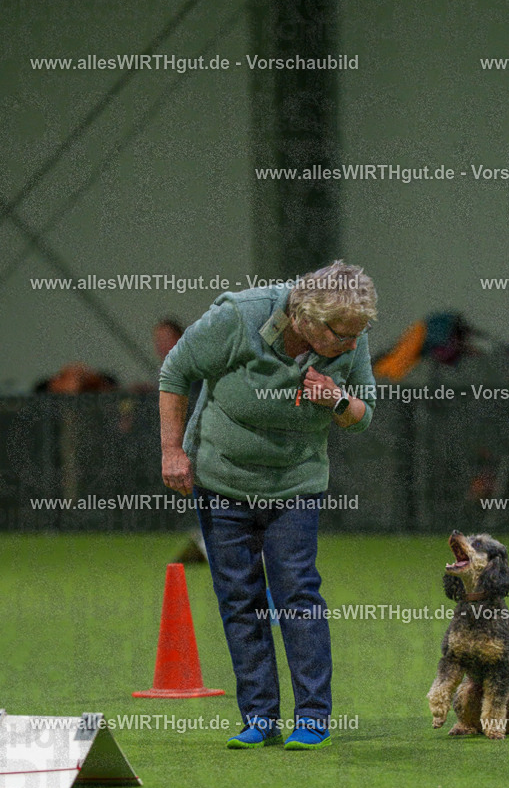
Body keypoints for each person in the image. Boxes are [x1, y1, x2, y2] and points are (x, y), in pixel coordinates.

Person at [159, 261, 378, 750]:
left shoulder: (351, 333)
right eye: (341, 336)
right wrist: (173, 450)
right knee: (241, 598)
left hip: (295, 485)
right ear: (307, 320)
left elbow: (365, 414)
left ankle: (313, 718)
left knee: (297, 595)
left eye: (356, 336)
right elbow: (175, 370)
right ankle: (259, 718)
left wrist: (338, 401)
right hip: (222, 480)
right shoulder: (240, 317)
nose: (350, 344)